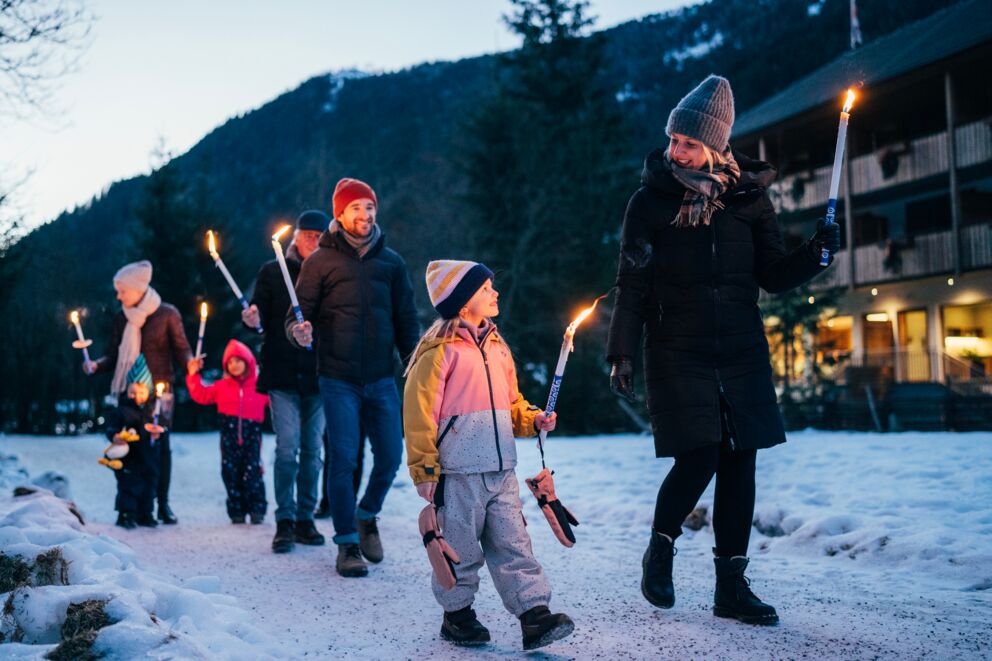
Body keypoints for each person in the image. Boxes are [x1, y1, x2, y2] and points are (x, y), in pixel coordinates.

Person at [606, 75, 840, 626]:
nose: (674, 151)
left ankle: (730, 587)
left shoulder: (748, 200)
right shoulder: (649, 202)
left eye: (687, 142)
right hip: (676, 345)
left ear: (714, 145)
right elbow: (632, 283)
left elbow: (774, 276)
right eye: (672, 140)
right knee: (700, 454)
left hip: (739, 346)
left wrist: (816, 254)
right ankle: (660, 548)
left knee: (741, 460)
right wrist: (622, 353)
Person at [404, 260, 574, 651]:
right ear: (464, 303)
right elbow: (418, 416)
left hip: (502, 472)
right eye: (485, 289)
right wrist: (424, 469)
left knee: (514, 544)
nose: (494, 293)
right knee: (458, 550)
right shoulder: (438, 354)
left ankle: (534, 615)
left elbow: (511, 404)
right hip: (457, 473)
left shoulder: (498, 348)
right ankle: (457, 615)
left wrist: (533, 419)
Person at [287, 177, 420, 577]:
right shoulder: (319, 262)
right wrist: (299, 331)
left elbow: (406, 319)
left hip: (381, 378)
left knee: (392, 457)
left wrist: (413, 361)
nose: (365, 215)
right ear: (340, 215)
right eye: (356, 208)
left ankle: (367, 515)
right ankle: (346, 544)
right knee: (343, 459)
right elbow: (298, 314)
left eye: (370, 207)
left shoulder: (391, 263)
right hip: (337, 376)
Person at [243, 210, 328, 552]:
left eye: (320, 236)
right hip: (281, 371)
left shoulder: (329, 271)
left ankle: (306, 518)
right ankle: (285, 520)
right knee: (287, 447)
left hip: (320, 374)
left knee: (313, 450)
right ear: (295, 237)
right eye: (308, 235)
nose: (313, 241)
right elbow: (257, 311)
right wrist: (252, 315)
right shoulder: (272, 271)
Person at [85, 260, 195, 525]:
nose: (119, 296)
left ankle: (162, 504)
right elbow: (113, 354)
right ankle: (133, 507)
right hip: (130, 391)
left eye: (122, 290)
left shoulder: (167, 313)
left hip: (160, 392)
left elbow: (181, 348)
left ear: (137, 288)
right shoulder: (122, 317)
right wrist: (96, 365)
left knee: (160, 449)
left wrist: (190, 362)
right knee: (131, 449)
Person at [186, 340, 270, 524]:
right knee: (230, 473)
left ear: (248, 362)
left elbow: (276, 402)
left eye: (238, 361)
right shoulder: (221, 387)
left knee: (253, 472)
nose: (235, 365)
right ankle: (236, 510)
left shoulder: (260, 387)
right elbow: (200, 394)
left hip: (251, 437)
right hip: (228, 439)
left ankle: (257, 509)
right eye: (230, 362)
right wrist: (193, 375)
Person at [103, 353, 160, 529]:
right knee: (129, 486)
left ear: (148, 391)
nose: (137, 396)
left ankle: (146, 513)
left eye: (141, 392)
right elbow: (111, 427)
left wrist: (158, 433)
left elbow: (161, 427)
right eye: (132, 392)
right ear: (127, 392)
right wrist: (115, 436)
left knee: (148, 485)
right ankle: (126, 513)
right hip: (129, 458)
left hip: (148, 458)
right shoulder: (122, 411)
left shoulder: (153, 411)